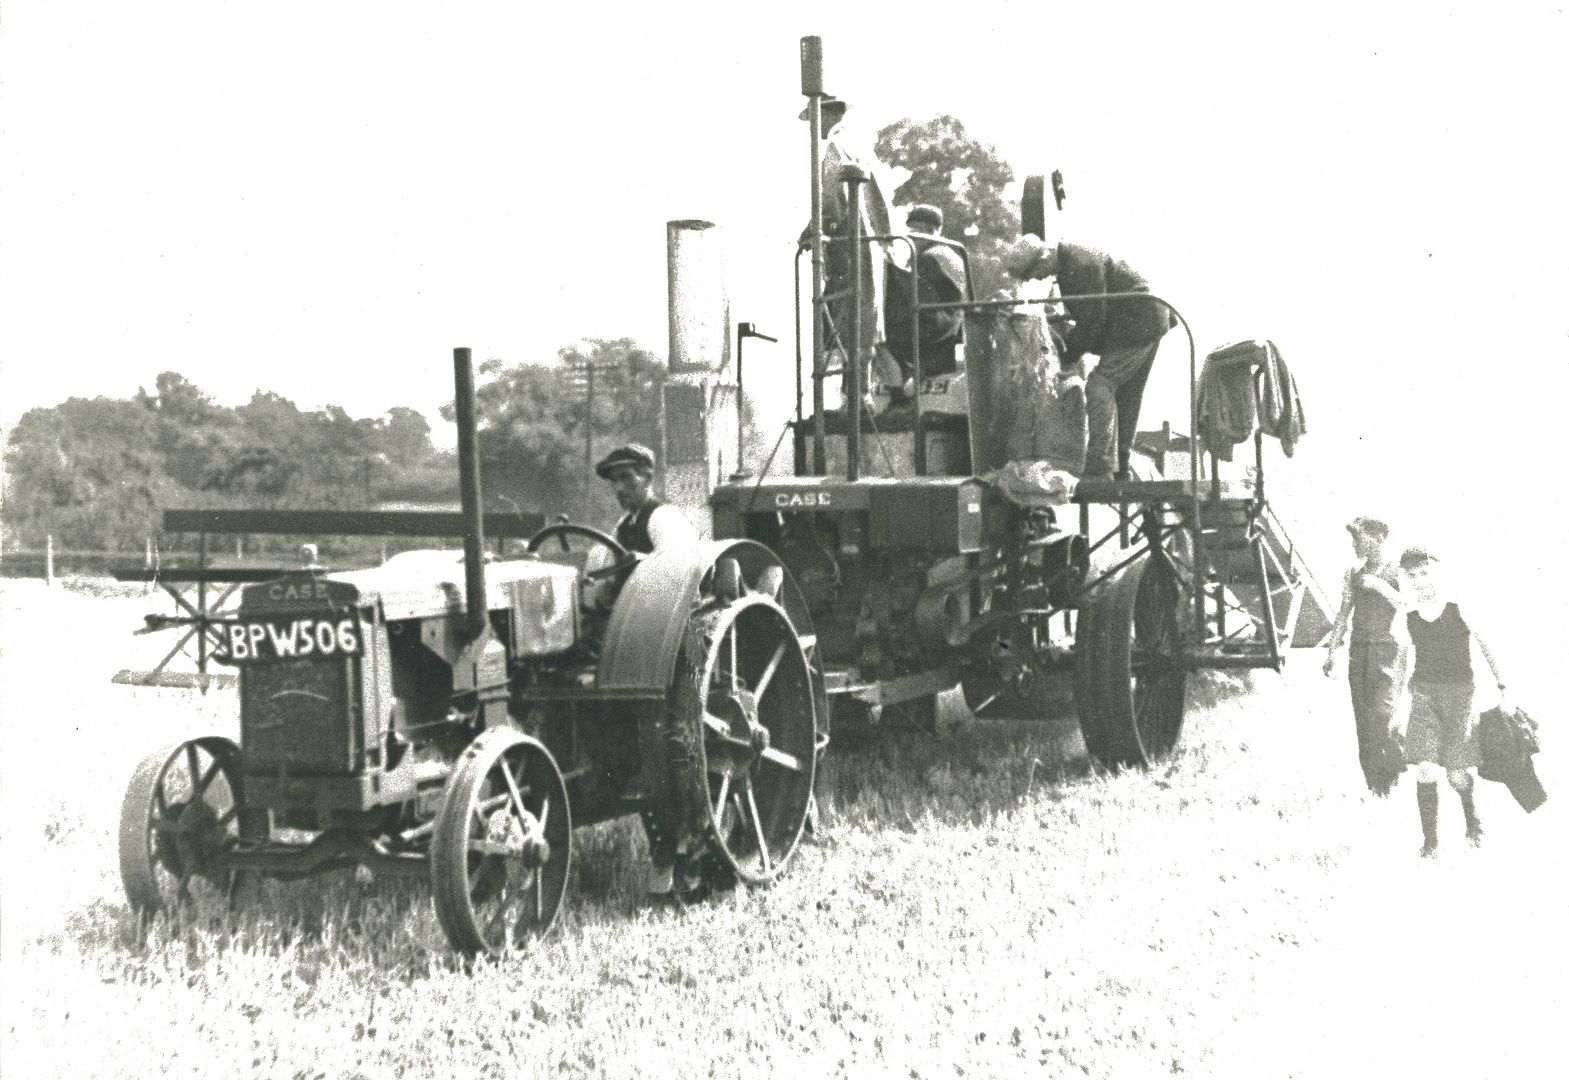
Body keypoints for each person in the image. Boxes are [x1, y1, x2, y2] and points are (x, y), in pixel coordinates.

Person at [1006, 235, 1177, 480]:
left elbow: (1091, 321)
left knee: (1100, 385)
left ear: (1043, 257)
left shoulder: (1079, 264)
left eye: (1036, 273)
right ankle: (1121, 465)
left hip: (1138, 320)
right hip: (1149, 317)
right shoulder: (1072, 260)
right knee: (1127, 392)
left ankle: (1100, 464)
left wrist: (1064, 357)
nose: (1039, 278)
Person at [1391, 546, 1508, 858]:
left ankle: (1471, 818)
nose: (1419, 581)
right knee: (1425, 768)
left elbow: (1486, 645)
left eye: (1424, 572)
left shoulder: (1459, 607)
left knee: (1456, 775)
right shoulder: (1407, 614)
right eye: (1412, 575)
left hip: (1460, 696)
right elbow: (1401, 662)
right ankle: (1430, 844)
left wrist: (1504, 686)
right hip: (1424, 695)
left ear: (1437, 570)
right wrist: (1394, 707)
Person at [801, 95, 900, 403]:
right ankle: (862, 393)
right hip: (871, 247)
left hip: (850, 250)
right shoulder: (859, 147)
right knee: (866, 324)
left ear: (826, 114)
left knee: (850, 322)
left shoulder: (834, 149)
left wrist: (810, 233)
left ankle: (857, 397)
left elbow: (832, 204)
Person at [1322, 516, 1405, 796]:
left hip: (1387, 653)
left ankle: (1391, 776)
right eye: (1354, 538)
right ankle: (1376, 790)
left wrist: (1376, 585)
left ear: (1379, 537)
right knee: (1364, 725)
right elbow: (1343, 614)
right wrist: (1332, 651)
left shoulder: (1398, 572)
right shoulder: (1352, 574)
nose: (1355, 543)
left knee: (1383, 717)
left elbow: (1407, 605)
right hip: (1359, 654)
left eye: (1360, 537)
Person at [884, 204, 968, 391]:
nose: (911, 237)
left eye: (915, 230)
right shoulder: (953, 254)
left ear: (930, 231)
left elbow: (920, 298)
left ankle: (903, 379)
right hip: (952, 323)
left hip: (937, 326)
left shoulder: (929, 258)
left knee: (883, 334)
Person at [593, 443, 698, 554]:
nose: (619, 488)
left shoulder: (664, 517)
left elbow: (675, 566)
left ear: (647, 478)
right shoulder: (622, 527)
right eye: (614, 480)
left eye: (626, 477)